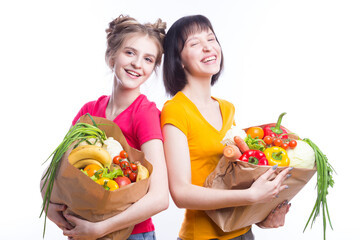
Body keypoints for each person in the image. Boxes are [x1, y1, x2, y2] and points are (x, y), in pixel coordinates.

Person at [161, 15, 292, 240]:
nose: (207, 47)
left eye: (211, 39)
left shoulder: (227, 108)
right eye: (194, 43)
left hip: (243, 231)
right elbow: (181, 193)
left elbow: (234, 179)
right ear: (179, 60)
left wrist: (263, 215)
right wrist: (251, 197)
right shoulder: (175, 109)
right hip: (201, 236)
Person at [44, 15, 169, 240]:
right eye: (130, 52)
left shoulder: (145, 114)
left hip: (132, 234)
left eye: (148, 59)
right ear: (111, 56)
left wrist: (101, 229)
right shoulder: (89, 111)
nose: (137, 64)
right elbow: (58, 168)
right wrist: (49, 204)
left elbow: (160, 198)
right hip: (83, 230)